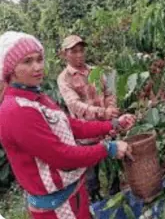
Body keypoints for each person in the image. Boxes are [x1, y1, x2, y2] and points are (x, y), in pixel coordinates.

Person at [0, 31, 136, 219]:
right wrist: (108, 149)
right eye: (27, 61)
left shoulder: (37, 97)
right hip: (57, 208)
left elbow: (70, 125)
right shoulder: (16, 111)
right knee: (93, 179)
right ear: (11, 69)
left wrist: (112, 124)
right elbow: (61, 156)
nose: (37, 67)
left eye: (39, 59)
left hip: (72, 195)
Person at [57, 35, 120, 200]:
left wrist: (111, 108)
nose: (79, 55)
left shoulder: (94, 71)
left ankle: (117, 196)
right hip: (86, 136)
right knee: (91, 175)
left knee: (113, 167)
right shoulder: (64, 79)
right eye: (74, 52)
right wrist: (101, 112)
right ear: (64, 54)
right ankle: (95, 199)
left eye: (81, 51)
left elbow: (108, 93)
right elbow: (75, 105)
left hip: (106, 129)